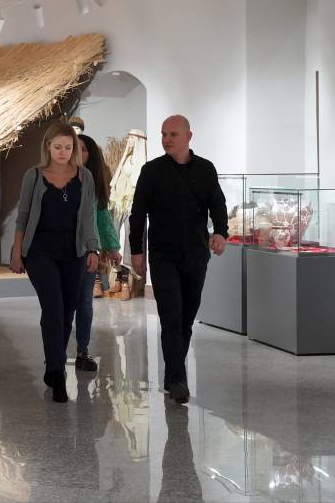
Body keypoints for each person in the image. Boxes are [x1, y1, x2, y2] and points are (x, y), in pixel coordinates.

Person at [129, 115, 228, 404]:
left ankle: (174, 373)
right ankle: (177, 380)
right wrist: (137, 251)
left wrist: (220, 232)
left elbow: (217, 204)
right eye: (163, 134)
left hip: (196, 254)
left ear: (188, 136)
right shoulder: (152, 171)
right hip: (163, 255)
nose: (166, 139)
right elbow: (138, 213)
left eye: (172, 134)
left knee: (186, 319)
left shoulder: (205, 169)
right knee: (171, 317)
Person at [10, 121, 100, 403]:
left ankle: (54, 361)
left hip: (74, 251)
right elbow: (23, 216)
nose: (63, 152)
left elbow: (88, 217)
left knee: (68, 309)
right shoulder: (34, 176)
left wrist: (93, 249)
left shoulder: (85, 177)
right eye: (58, 147)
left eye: (68, 147)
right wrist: (16, 251)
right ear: (48, 147)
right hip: (39, 252)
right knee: (53, 307)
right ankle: (58, 372)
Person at [74, 134, 122, 372]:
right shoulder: (55, 178)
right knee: (62, 304)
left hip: (87, 250)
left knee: (84, 302)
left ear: (90, 154)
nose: (78, 153)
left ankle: (82, 351)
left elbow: (102, 215)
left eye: (83, 149)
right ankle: (54, 354)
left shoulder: (94, 182)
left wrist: (112, 247)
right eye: (75, 148)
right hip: (61, 250)